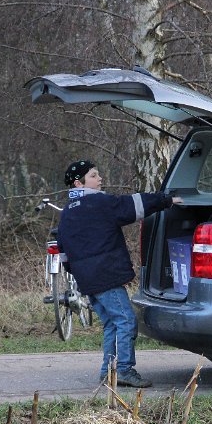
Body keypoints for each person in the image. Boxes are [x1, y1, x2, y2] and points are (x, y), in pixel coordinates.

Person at [57, 160, 182, 388]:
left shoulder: (67, 212)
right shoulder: (98, 202)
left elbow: (63, 251)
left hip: (87, 280)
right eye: (94, 175)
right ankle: (124, 369)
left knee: (112, 325)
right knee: (126, 320)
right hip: (106, 276)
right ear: (79, 182)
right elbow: (132, 205)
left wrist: (78, 273)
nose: (100, 179)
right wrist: (166, 199)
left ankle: (108, 372)